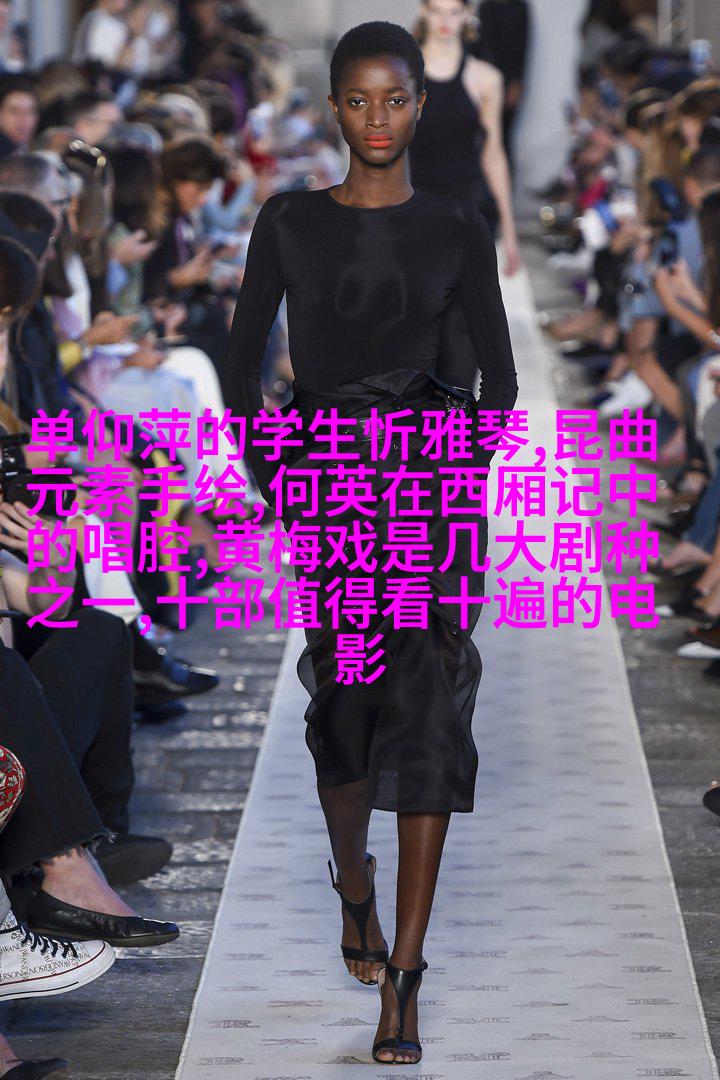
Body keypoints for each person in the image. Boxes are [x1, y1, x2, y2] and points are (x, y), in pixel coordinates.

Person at [225, 19, 518, 1066]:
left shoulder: (455, 226)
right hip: (333, 494)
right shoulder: (290, 221)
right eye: (359, 100)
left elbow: (501, 378)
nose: (378, 117)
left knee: (428, 712)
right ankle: (353, 883)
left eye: (396, 99)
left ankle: (406, 976)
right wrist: (277, 475)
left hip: (431, 499)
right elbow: (241, 361)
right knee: (345, 715)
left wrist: (454, 479)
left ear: (420, 105)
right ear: (335, 109)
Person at [408, 0, 521, 272]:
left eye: (454, 12)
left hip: (472, 206)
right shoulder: (403, 75)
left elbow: (493, 154)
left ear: (467, 14)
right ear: (424, 11)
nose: (445, 20)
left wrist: (509, 232)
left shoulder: (486, 78)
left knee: (466, 294)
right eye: (437, 11)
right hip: (419, 206)